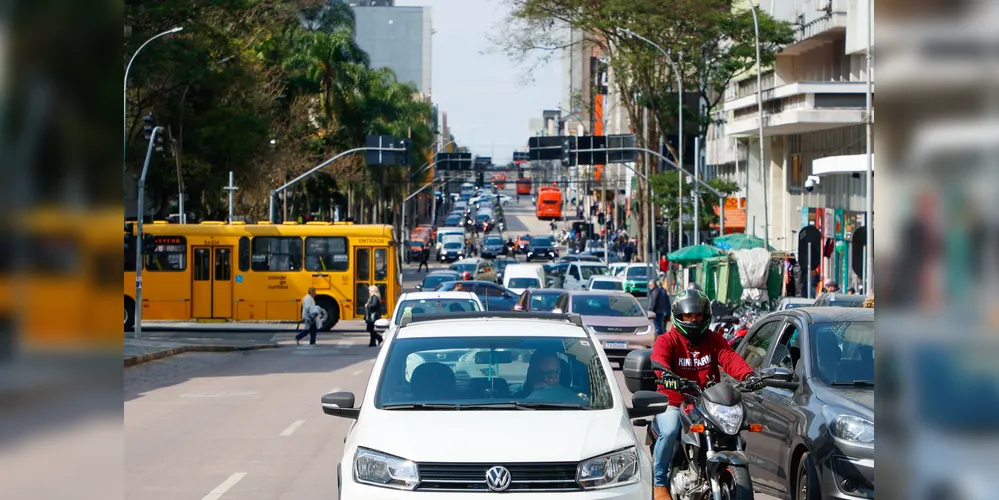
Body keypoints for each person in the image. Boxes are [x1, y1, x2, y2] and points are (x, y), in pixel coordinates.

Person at [649, 289, 764, 500]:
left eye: (698, 315)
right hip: (674, 401)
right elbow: (659, 362)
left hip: (707, 401)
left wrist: (749, 375)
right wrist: (666, 376)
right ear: (679, 316)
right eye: (688, 316)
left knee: (732, 429)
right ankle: (660, 484)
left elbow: (729, 357)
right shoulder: (667, 340)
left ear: (706, 317)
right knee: (670, 431)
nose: (694, 320)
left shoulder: (713, 339)